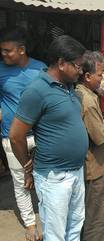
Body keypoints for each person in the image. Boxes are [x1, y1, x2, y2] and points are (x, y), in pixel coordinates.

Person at [9, 35, 88, 241]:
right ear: (61, 63)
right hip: (54, 177)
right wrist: (27, 165)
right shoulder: (37, 90)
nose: (81, 71)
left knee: (74, 227)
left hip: (76, 171)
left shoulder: (69, 86)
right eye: (77, 66)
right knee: (55, 234)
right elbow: (16, 136)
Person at [0, 26, 46, 241]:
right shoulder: (0, 70)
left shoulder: (40, 70)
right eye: (2, 50)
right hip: (11, 137)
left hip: (41, 135)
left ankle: (47, 217)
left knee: (44, 178)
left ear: (21, 50)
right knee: (20, 183)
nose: (3, 54)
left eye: (7, 50)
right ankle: (29, 223)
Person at [75, 51, 104, 241]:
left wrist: (102, 122)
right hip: (93, 168)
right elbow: (100, 138)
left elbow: (89, 128)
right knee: (96, 218)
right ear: (87, 76)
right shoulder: (87, 100)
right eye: (100, 74)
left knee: (86, 214)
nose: (102, 79)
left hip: (87, 166)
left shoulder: (80, 93)